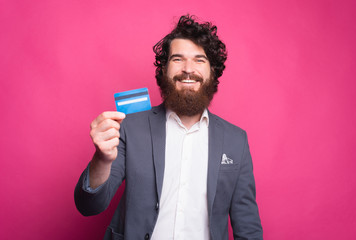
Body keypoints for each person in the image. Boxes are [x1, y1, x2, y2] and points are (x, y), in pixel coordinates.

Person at [75, 14, 263, 240]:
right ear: (163, 70)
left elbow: (248, 227)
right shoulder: (130, 127)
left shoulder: (236, 140)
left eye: (199, 60)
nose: (188, 69)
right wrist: (101, 159)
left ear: (213, 71)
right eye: (177, 59)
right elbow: (89, 205)